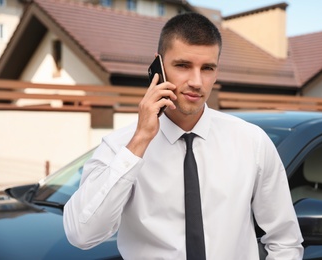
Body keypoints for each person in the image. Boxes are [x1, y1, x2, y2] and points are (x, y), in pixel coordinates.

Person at [63, 12, 303, 259]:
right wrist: (140, 141)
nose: (197, 82)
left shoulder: (252, 142)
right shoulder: (120, 147)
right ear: (158, 67)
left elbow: (285, 240)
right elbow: (81, 234)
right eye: (183, 65)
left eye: (207, 68)